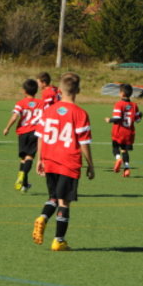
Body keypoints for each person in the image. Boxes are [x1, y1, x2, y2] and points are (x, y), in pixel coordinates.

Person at [32, 72, 94, 251]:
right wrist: (90, 164)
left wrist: (39, 159)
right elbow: (83, 142)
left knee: (53, 197)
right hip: (68, 162)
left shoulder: (49, 110)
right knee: (64, 202)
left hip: (49, 159)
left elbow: (41, 136)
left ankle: (43, 217)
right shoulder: (80, 113)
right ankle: (58, 241)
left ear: (59, 90)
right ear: (78, 90)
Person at [2, 79, 44, 192]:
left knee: (23, 158)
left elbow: (15, 116)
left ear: (24, 91)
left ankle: (24, 183)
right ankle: (23, 179)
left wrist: (7, 128)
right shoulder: (42, 103)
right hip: (35, 132)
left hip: (22, 133)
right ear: (36, 91)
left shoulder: (21, 103)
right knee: (29, 157)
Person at [104, 83, 142, 177]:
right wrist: (141, 115)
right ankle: (126, 168)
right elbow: (138, 120)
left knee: (115, 146)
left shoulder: (119, 104)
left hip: (119, 131)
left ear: (122, 94)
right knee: (124, 150)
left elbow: (117, 118)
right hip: (129, 132)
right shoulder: (134, 105)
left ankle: (118, 159)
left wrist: (109, 120)